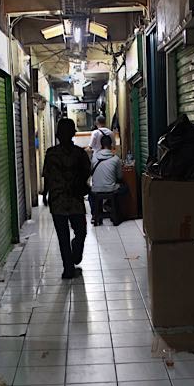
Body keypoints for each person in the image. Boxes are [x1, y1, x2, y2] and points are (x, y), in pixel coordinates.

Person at [42, 118, 91, 279]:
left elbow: (47, 177)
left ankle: (68, 268)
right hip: (74, 200)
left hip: (57, 201)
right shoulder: (79, 154)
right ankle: (74, 257)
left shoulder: (51, 153)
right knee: (81, 232)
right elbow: (87, 174)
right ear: (74, 134)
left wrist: (45, 194)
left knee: (63, 236)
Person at [89, 134, 128, 225]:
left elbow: (91, 171)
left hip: (96, 189)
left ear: (101, 145)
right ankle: (112, 207)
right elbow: (120, 177)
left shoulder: (94, 158)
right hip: (111, 189)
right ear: (111, 145)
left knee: (92, 193)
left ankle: (95, 215)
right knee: (124, 188)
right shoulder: (116, 159)